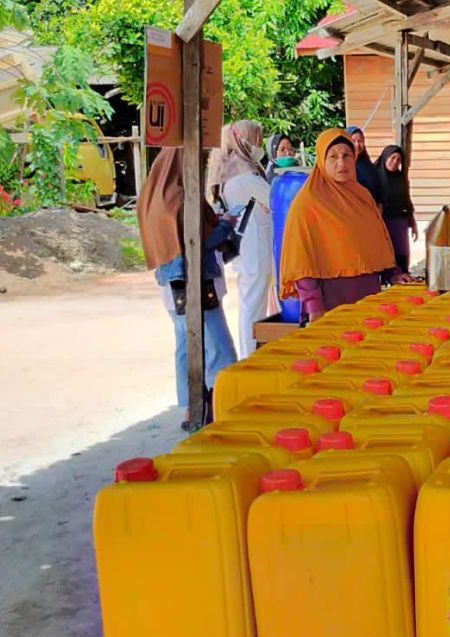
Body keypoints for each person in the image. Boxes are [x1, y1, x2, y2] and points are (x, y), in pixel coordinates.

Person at [137, 148, 238, 429]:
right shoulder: (182, 199)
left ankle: (190, 411)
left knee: (185, 347)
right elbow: (197, 241)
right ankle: (220, 411)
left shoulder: (152, 195)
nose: (202, 166)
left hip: (170, 284)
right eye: (200, 161)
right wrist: (226, 226)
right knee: (219, 349)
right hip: (194, 283)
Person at [279, 128, 411, 321]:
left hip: (368, 298)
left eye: (347, 155)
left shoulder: (362, 196)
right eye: (333, 156)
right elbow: (301, 259)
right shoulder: (308, 202)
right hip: (329, 302)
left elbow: (376, 240)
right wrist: (314, 306)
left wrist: (392, 273)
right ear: (321, 161)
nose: (342, 162)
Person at [208, 120, 274, 358]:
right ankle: (250, 355)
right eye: (255, 140)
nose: (257, 146)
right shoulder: (244, 177)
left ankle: (252, 352)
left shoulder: (234, 173)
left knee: (253, 304)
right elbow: (273, 199)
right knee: (253, 306)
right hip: (254, 249)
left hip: (250, 249)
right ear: (241, 141)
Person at [376, 144, 418, 272]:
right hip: (382, 222)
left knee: (401, 253)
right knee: (385, 253)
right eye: (392, 158)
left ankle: (402, 276)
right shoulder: (374, 176)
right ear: (385, 157)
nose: (395, 162)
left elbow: (406, 200)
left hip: (400, 222)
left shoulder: (400, 178)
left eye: (398, 160)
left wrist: (412, 222)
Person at [346, 125, 381, 203]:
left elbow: (378, 189)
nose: (357, 145)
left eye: (360, 141)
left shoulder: (368, 165)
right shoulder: (344, 166)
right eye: (353, 141)